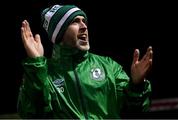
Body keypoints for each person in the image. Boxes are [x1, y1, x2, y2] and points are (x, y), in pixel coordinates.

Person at [17, 4, 153, 119]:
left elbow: (134, 113)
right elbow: (33, 114)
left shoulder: (108, 66)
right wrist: (36, 65)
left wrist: (137, 86)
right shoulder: (44, 73)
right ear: (59, 33)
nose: (84, 26)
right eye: (75, 21)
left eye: (84, 21)